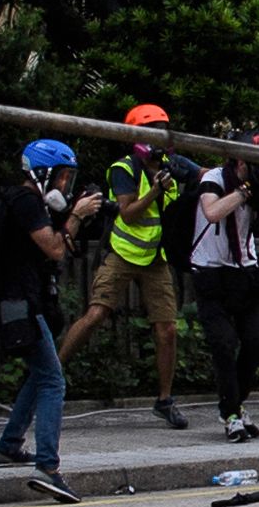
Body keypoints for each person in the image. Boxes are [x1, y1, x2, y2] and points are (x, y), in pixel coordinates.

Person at [60, 103, 192, 428]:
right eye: (152, 132)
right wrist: (156, 191)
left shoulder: (172, 165)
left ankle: (164, 400)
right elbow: (128, 213)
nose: (159, 139)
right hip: (121, 253)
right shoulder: (124, 168)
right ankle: (50, 374)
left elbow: (201, 176)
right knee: (95, 315)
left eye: (162, 131)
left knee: (167, 328)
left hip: (155, 258)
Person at [0, 138, 102, 501]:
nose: (65, 185)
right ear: (42, 174)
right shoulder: (25, 202)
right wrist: (76, 216)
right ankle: (47, 467)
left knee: (40, 374)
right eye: (62, 177)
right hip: (20, 303)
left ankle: (9, 446)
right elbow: (54, 247)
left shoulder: (32, 204)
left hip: (25, 300)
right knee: (54, 380)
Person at [188, 132, 259, 442]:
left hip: (247, 271)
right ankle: (232, 414)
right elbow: (212, 212)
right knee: (223, 343)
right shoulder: (215, 178)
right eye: (255, 161)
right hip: (211, 272)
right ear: (239, 160)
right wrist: (245, 189)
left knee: (258, 340)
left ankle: (235, 404)